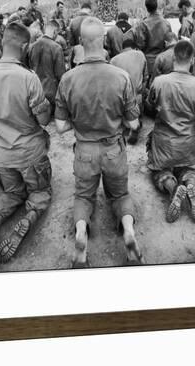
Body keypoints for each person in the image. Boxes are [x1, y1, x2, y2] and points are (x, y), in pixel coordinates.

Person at [55, 16, 144, 267]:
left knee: (83, 197)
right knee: (120, 194)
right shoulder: (121, 76)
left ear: (81, 43)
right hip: (113, 149)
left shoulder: (68, 79)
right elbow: (134, 124)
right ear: (103, 40)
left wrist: (80, 123)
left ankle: (81, 234)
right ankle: (128, 231)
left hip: (84, 150)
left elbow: (60, 127)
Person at [0, 22, 52, 266]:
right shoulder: (29, 78)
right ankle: (30, 217)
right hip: (30, 154)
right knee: (40, 193)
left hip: (1, 157)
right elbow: (44, 119)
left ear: (3, 43)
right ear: (25, 46)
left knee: (11, 194)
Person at [147, 40, 195, 225]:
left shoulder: (159, 82)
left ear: (173, 57)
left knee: (159, 171)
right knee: (189, 170)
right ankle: (189, 185)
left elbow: (151, 105)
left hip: (163, 143)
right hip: (187, 144)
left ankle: (173, 189)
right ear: (192, 60)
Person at [111, 33, 148, 144]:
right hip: (137, 96)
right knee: (138, 104)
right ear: (134, 47)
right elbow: (146, 76)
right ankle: (135, 124)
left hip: (120, 97)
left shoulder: (113, 60)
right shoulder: (140, 54)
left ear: (122, 49)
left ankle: (125, 125)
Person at [29, 20, 66, 113]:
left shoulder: (33, 46)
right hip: (52, 92)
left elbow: (29, 68)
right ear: (55, 32)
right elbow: (60, 74)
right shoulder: (56, 47)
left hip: (35, 90)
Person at [134, 0, 172, 77]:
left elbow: (140, 44)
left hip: (149, 62)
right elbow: (170, 42)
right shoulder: (166, 23)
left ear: (146, 8)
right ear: (157, 6)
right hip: (164, 60)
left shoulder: (143, 24)